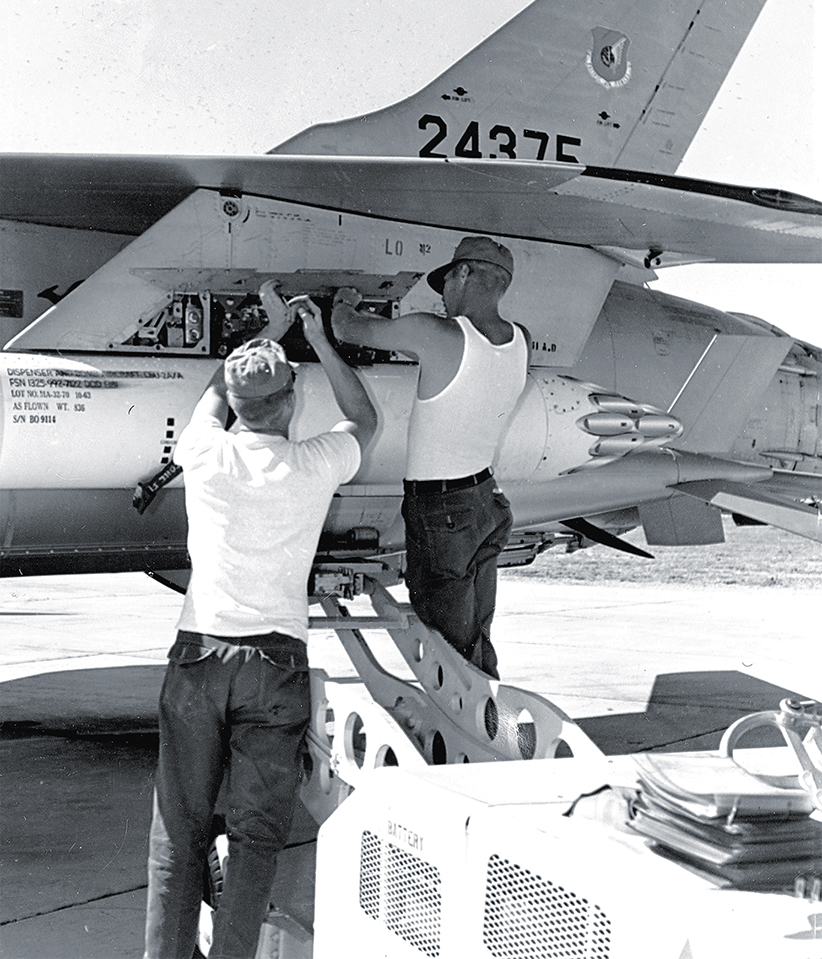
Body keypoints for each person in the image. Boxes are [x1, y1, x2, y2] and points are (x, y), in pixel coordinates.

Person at [144, 290, 377, 959]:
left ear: (239, 403)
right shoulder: (313, 464)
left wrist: (261, 336)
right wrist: (321, 338)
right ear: (292, 398)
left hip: (198, 658)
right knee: (255, 835)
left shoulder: (201, 451)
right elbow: (366, 419)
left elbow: (215, 395)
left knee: (178, 830)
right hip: (274, 667)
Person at [331, 236, 528, 679]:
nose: (442, 298)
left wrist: (344, 300)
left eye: (446, 284)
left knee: (445, 646)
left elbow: (349, 329)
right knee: (474, 637)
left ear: (461, 274)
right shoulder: (521, 341)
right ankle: (495, 725)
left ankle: (474, 741)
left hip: (444, 512)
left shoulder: (435, 333)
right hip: (485, 503)